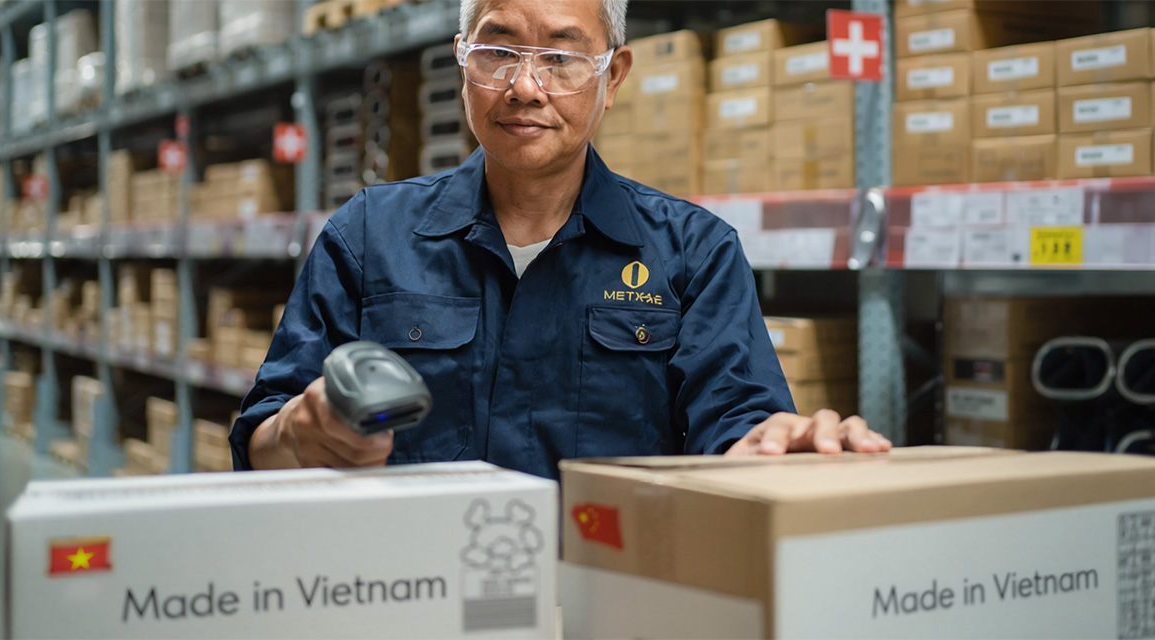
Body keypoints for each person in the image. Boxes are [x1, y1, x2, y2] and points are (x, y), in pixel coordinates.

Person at [228, 0, 892, 479]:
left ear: (614, 77)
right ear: (462, 63)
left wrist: (775, 446)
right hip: (410, 592)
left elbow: (737, 425)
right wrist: (299, 432)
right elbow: (262, 436)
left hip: (608, 593)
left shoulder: (694, 253)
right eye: (497, 52)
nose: (524, 87)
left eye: (562, 58)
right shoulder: (369, 235)